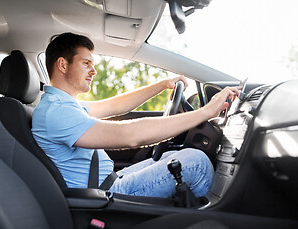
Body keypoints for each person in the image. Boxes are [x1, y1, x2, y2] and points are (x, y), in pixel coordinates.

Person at [32, 32, 240, 198]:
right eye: (86, 63)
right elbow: (129, 136)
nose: (93, 71)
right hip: (102, 194)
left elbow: (114, 106)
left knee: (171, 156)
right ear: (62, 64)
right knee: (196, 162)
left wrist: (162, 85)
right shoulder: (56, 112)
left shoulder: (62, 104)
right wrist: (206, 112)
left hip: (108, 180)